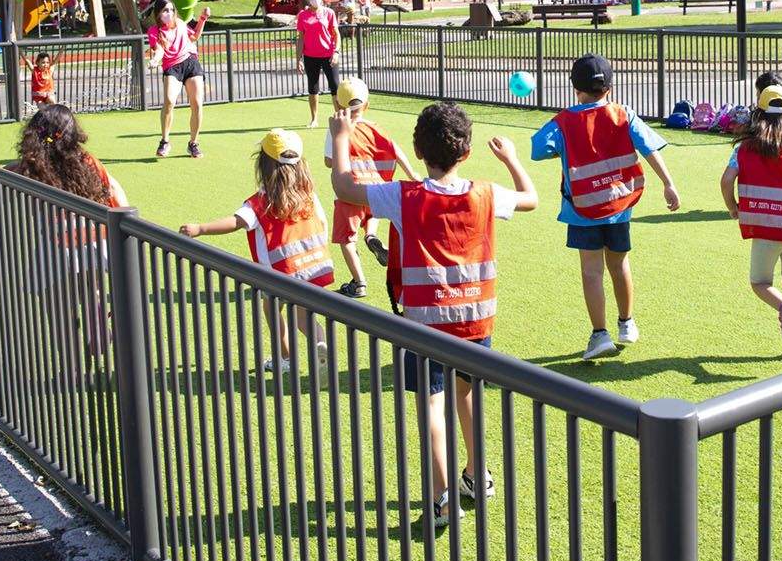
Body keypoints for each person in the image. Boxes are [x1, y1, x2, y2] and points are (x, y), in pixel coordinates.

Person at [329, 102, 538, 531]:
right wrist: (513, 160)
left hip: (424, 323)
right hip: (475, 319)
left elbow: (344, 186)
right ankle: (477, 477)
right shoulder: (486, 192)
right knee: (468, 395)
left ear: (418, 151)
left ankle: (443, 499)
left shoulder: (403, 195)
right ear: (467, 151)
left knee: (431, 404)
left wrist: (340, 135)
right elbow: (531, 199)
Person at [530, 53, 681, 361]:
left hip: (582, 210)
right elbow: (650, 148)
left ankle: (600, 334)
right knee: (619, 265)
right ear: (609, 88)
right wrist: (668, 182)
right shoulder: (624, 114)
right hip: (618, 206)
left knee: (591, 272)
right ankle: (626, 323)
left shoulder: (564, 121)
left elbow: (537, 149)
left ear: (575, 88)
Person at [179, 129, 333, 378]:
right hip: (314, 267)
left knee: (271, 309)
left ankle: (286, 358)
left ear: (264, 164)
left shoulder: (260, 202)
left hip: (280, 275)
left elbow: (236, 221)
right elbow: (324, 224)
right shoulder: (309, 196)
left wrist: (200, 228)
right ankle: (319, 344)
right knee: (305, 318)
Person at [9, 104, 128, 355]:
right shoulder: (87, 161)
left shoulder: (31, 168)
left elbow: (2, 177)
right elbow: (117, 194)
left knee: (59, 310)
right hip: (95, 242)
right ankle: (98, 333)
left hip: (57, 248)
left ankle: (74, 370)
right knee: (90, 288)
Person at [722, 83, 782, 360]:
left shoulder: (743, 149)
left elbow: (727, 180)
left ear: (759, 113)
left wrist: (733, 208)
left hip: (764, 230)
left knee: (760, 283)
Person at [324, 76, 419, 298]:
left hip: (350, 190)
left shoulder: (337, 128)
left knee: (346, 238)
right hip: (375, 189)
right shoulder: (376, 128)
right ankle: (372, 235)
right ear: (367, 105)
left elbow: (330, 161)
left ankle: (359, 282)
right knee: (371, 212)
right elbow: (395, 150)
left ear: (338, 105)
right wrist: (412, 174)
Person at [146, 0, 210, 158]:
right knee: (169, 101)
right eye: (165, 11)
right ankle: (165, 141)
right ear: (158, 14)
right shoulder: (154, 31)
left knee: (197, 104)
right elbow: (159, 49)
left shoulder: (181, 24)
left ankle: (193, 144)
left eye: (171, 10)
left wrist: (202, 19)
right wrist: (155, 60)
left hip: (191, 63)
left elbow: (194, 36)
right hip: (172, 67)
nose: (169, 13)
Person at [295, 0, 341, 127]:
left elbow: (336, 34)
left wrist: (336, 52)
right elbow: (301, 38)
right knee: (313, 88)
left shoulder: (329, 13)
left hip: (328, 55)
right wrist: (298, 59)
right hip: (310, 57)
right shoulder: (303, 15)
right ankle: (314, 119)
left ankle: (340, 119)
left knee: (335, 87)